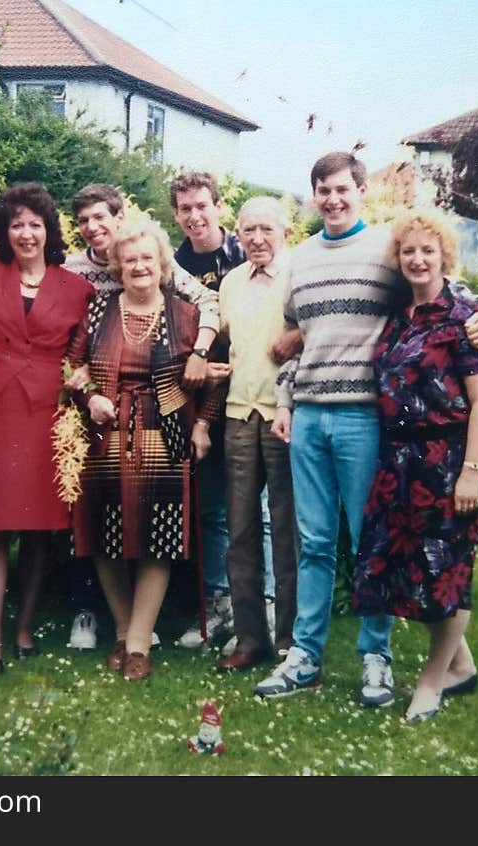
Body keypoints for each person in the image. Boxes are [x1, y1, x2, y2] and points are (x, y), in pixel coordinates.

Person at [258, 151, 478, 705]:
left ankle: (376, 657)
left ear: (360, 190)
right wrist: (285, 399)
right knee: (315, 543)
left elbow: (446, 293)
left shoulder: (388, 252)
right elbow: (297, 339)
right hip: (311, 417)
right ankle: (306, 656)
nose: (333, 199)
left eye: (343, 188)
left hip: (368, 421)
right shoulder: (299, 259)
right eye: (323, 190)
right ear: (314, 196)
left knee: (374, 545)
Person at [62, 183, 221, 651]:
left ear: (162, 264)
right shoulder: (97, 311)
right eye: (129, 260)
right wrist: (89, 393)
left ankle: (138, 644)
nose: (138, 266)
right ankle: (124, 626)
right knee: (103, 531)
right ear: (118, 266)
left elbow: (216, 378)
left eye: (147, 259)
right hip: (105, 430)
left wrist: (201, 425)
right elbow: (71, 365)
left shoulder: (188, 315)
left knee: (162, 535)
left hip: (166, 432)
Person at [352, 211, 478, 722]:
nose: (417, 259)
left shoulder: (464, 319)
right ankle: (461, 666)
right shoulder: (400, 315)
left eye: (427, 251)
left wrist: (472, 472)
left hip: (449, 460)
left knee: (447, 571)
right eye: (408, 251)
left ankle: (431, 683)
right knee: (410, 567)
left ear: (444, 257)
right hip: (399, 461)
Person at [0, 182, 94, 675]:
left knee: (41, 529)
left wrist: (82, 374)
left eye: (34, 224)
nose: (25, 233)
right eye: (16, 224)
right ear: (4, 230)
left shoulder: (75, 288)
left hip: (48, 412)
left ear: (48, 230)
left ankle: (25, 625)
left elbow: (82, 352)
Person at [169, 172, 275, 650]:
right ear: (175, 214)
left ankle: (264, 606)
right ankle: (217, 602)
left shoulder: (245, 255)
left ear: (218, 208)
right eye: (185, 208)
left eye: (202, 206)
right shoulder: (174, 264)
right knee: (212, 508)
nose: (195, 216)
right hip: (202, 402)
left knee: (260, 510)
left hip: (256, 396)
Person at [211, 197, 298, 672]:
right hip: (240, 414)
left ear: (285, 230)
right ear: (238, 235)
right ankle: (250, 638)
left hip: (287, 415)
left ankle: (289, 642)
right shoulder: (230, 283)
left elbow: (322, 329)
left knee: (287, 531)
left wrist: (299, 336)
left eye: (266, 229)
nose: (257, 239)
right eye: (248, 231)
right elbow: (225, 340)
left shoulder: (300, 274)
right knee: (240, 530)